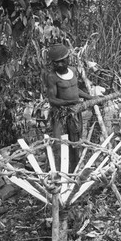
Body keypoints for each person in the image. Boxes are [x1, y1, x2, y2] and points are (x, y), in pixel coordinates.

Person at [45, 44, 95, 173]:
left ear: (68, 58)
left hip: (74, 113)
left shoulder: (73, 70)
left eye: (63, 61)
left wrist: (90, 97)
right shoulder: (52, 77)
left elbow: (75, 89)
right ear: (52, 63)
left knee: (75, 142)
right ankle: (58, 173)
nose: (60, 65)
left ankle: (74, 171)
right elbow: (52, 100)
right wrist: (70, 102)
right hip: (60, 115)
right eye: (57, 62)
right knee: (59, 143)